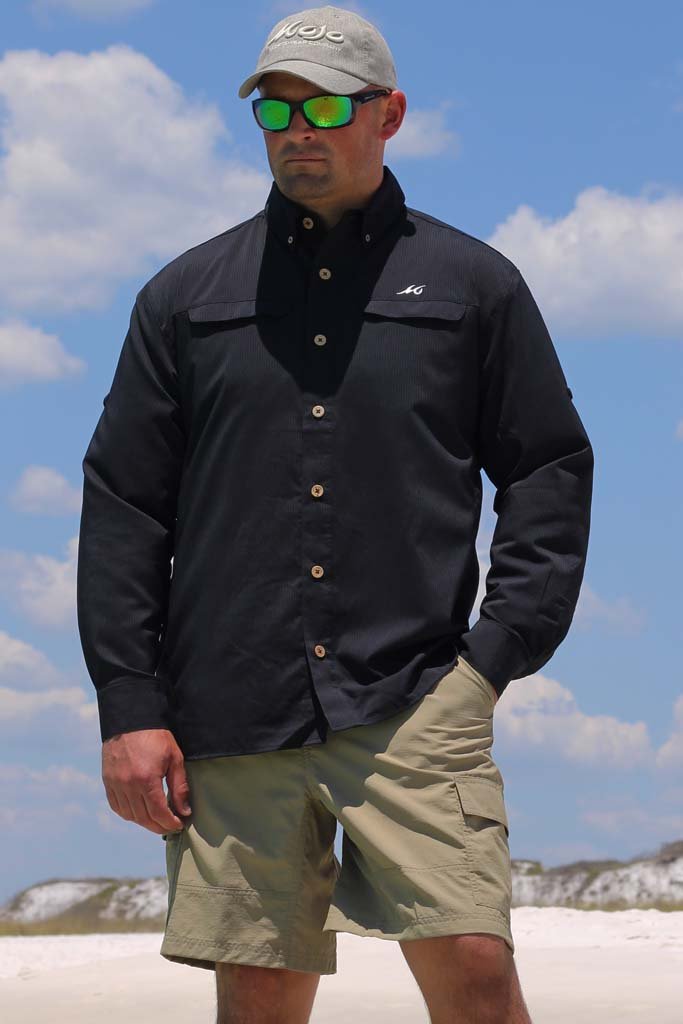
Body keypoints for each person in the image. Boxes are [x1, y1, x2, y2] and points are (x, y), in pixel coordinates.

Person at [76, 5, 593, 1022]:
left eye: (322, 103)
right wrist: (131, 705)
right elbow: (126, 503)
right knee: (261, 993)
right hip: (232, 708)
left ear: (388, 114)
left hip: (414, 696)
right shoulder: (184, 298)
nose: (296, 127)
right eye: (274, 106)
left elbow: (546, 467)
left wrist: (493, 655)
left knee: (475, 973)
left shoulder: (472, 286)